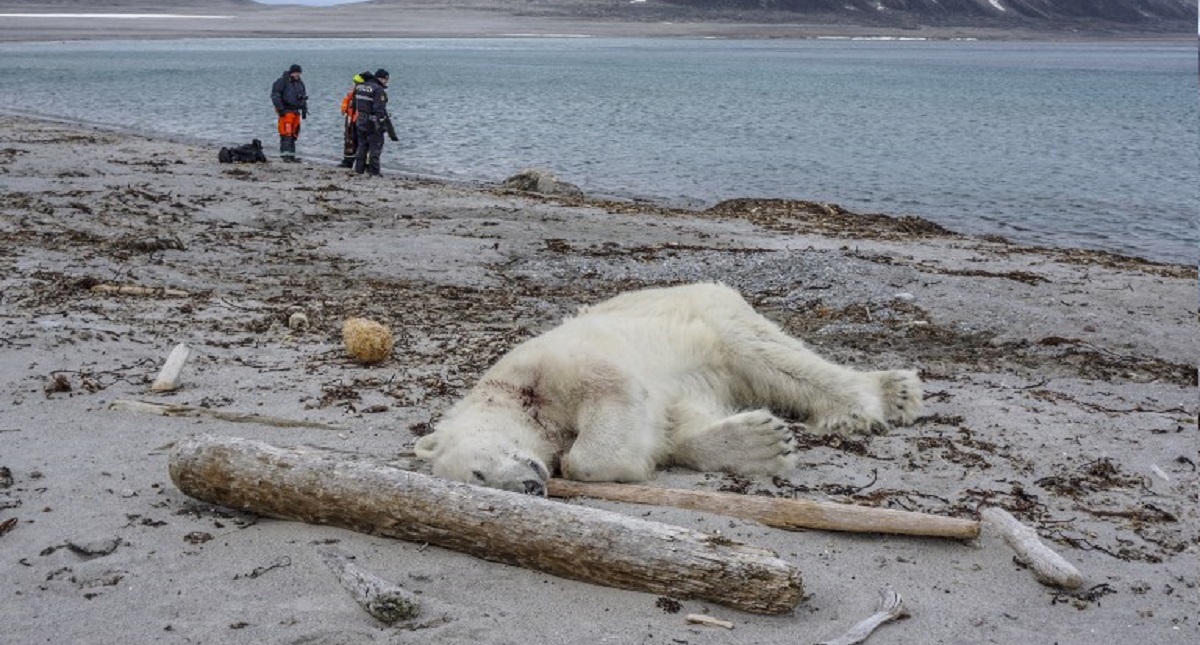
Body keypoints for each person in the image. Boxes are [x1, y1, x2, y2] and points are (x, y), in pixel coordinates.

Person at [353, 68, 397, 177]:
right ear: (381, 78)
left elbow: (356, 103)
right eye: (386, 79)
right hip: (372, 122)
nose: (386, 82)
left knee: (362, 145)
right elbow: (379, 108)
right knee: (375, 146)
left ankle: (359, 170)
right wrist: (381, 123)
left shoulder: (360, 87)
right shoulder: (378, 90)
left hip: (360, 120)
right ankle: (374, 171)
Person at [270, 64, 308, 163]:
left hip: (296, 112)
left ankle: (291, 156)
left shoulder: (300, 83)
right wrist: (280, 109)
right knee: (286, 134)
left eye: (299, 73)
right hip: (286, 111)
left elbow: (303, 96)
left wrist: (304, 109)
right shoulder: (281, 81)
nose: (298, 75)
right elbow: (275, 95)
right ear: (291, 72)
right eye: (296, 73)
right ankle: (285, 156)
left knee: (294, 134)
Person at [339, 71, 372, 168]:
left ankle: (363, 164)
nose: (355, 85)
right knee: (349, 141)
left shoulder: (364, 92)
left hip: (359, 120)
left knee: (362, 142)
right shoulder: (353, 92)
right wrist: (344, 108)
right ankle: (348, 162)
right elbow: (347, 102)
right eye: (355, 83)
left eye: (357, 83)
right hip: (351, 120)